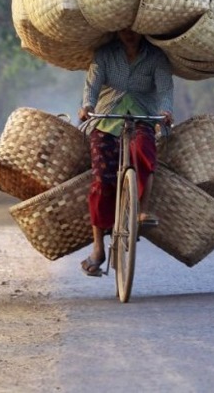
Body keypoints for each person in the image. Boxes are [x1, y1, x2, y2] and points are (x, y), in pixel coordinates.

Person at [77, 28, 174, 277]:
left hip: (142, 116)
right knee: (100, 179)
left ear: (142, 31)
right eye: (124, 30)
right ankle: (98, 248)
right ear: (117, 31)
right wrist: (87, 106)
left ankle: (142, 209)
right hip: (107, 118)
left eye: (134, 30)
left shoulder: (156, 57)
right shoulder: (105, 54)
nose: (129, 34)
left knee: (144, 151)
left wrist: (165, 110)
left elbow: (165, 89)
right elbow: (92, 85)